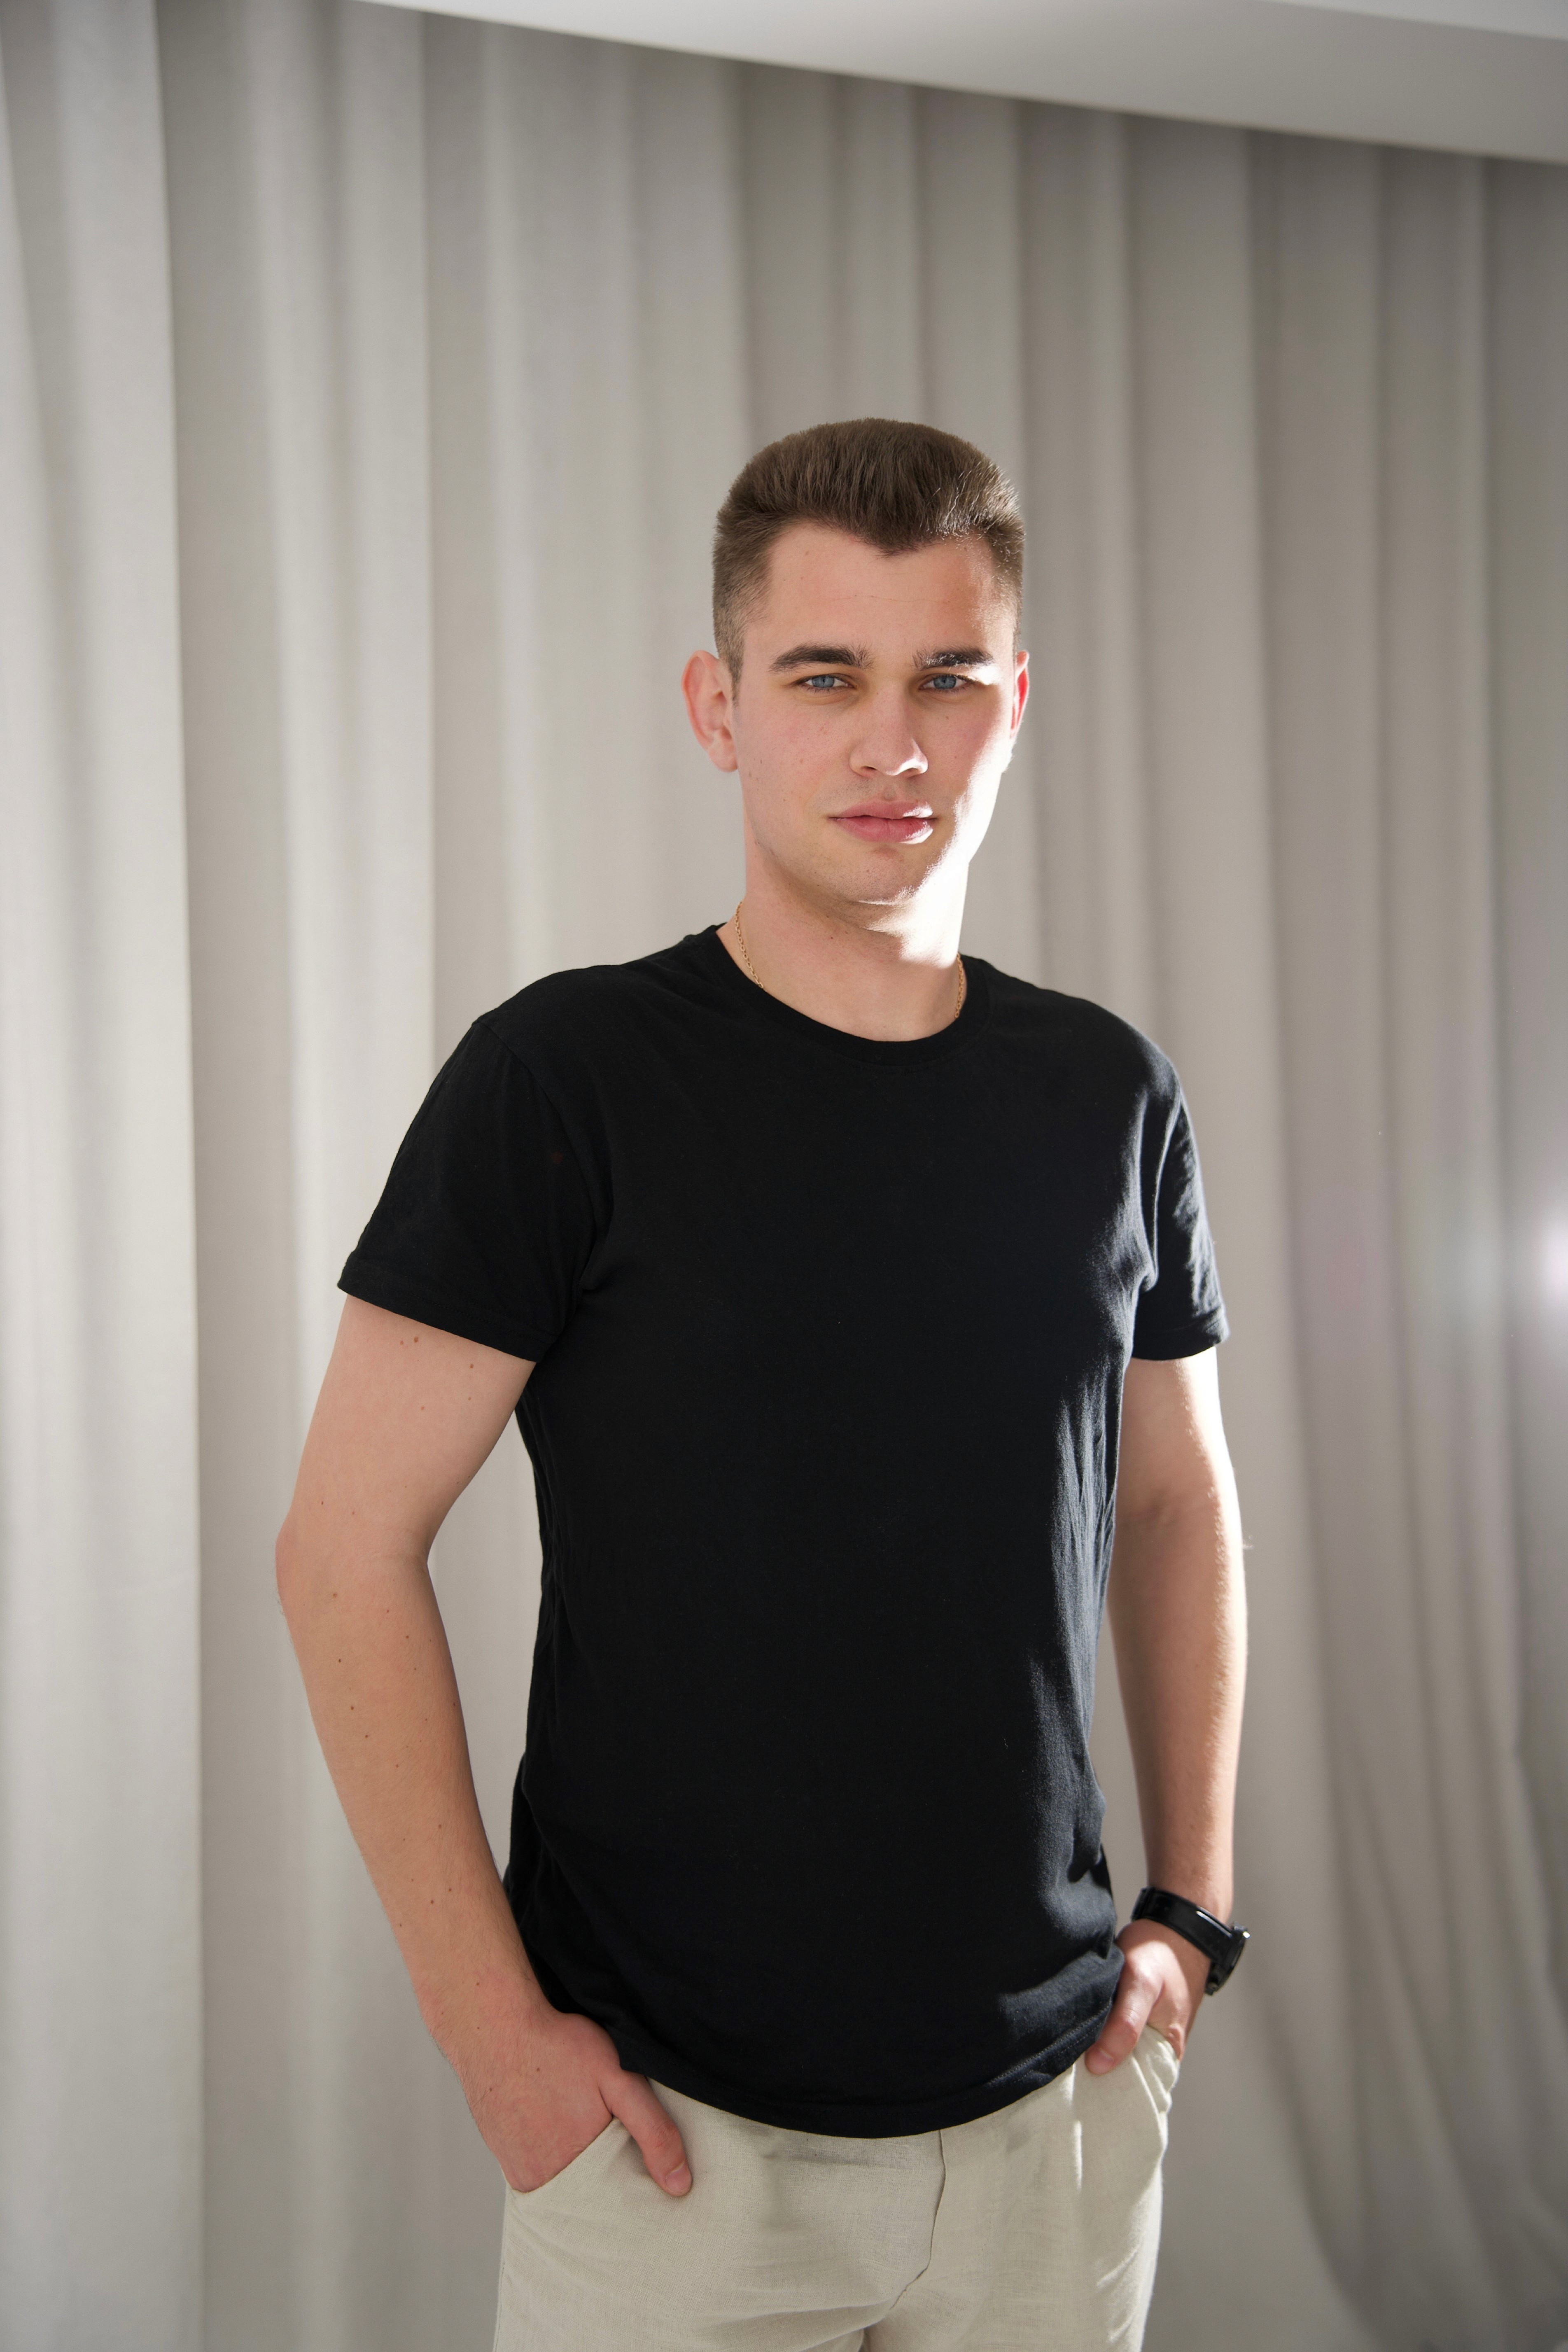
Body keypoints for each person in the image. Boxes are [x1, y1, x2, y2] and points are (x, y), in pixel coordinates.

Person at [276, 417, 1248, 2351]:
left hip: (1047, 2124)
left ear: (1014, 707)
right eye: (826, 677)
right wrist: (497, 2042)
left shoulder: (1108, 1092)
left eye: (945, 679)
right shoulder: (561, 1084)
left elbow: (1173, 1501)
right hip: (667, 2139)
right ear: (721, 708)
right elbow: (342, 1551)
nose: (893, 743)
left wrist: (1191, 1913)